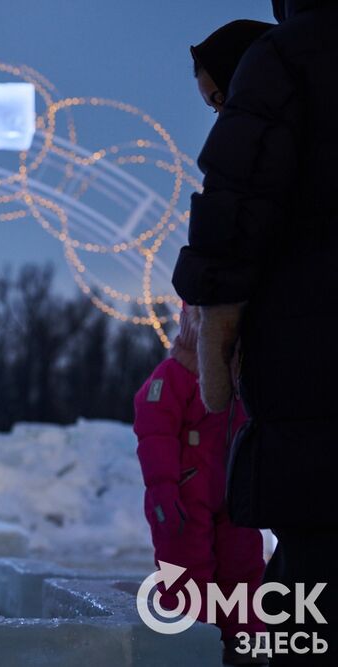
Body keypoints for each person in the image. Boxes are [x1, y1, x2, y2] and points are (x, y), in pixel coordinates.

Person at [173, 1, 338, 664]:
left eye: (222, 101)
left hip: (311, 379)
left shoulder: (291, 61)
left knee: (307, 590)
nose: (221, 116)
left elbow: (234, 210)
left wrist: (219, 326)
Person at [134, 305, 266, 665]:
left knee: (243, 564)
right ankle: (190, 645)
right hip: (184, 497)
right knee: (187, 570)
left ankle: (244, 641)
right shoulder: (174, 376)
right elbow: (154, 431)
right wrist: (163, 487)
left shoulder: (241, 380)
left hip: (233, 496)